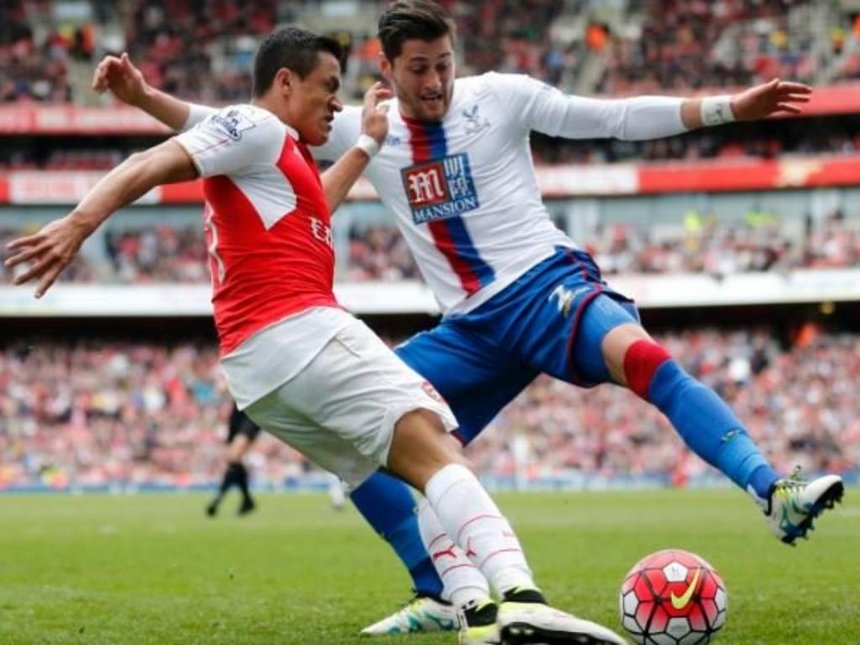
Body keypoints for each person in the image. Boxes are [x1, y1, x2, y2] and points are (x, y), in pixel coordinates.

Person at [91, 2, 845, 636]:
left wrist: (726, 108)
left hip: (544, 284)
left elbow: (607, 115)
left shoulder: (502, 95)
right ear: (387, 69)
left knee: (639, 355)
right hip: (470, 328)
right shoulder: (357, 128)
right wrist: (145, 98)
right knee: (364, 451)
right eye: (418, 68)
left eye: (445, 63)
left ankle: (771, 488)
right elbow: (234, 124)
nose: (436, 81)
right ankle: (439, 590)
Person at [7, 26, 629, 645]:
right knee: (435, 443)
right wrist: (78, 224)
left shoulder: (285, 156)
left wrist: (364, 147)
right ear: (285, 83)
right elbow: (153, 161)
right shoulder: (257, 128)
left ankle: (474, 609)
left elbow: (311, 212)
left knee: (396, 469)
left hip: (257, 371)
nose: (339, 101)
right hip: (297, 327)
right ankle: (520, 596)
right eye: (329, 87)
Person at [206, 403, 261, 517]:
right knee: (233, 461)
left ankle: (219, 499)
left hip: (251, 410)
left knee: (233, 457)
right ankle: (247, 500)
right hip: (238, 409)